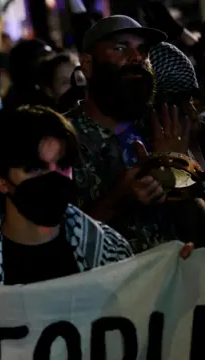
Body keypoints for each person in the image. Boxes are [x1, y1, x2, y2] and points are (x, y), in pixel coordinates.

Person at [70, 15, 205, 251]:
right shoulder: (62, 136)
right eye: (120, 48)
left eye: (143, 50)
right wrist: (119, 197)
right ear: (87, 64)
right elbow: (57, 240)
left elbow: (201, 228)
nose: (136, 57)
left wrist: (177, 172)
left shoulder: (166, 127)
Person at [0, 106, 133, 285]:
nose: (54, 179)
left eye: (62, 165)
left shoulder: (111, 252)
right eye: (36, 169)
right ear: (0, 181)